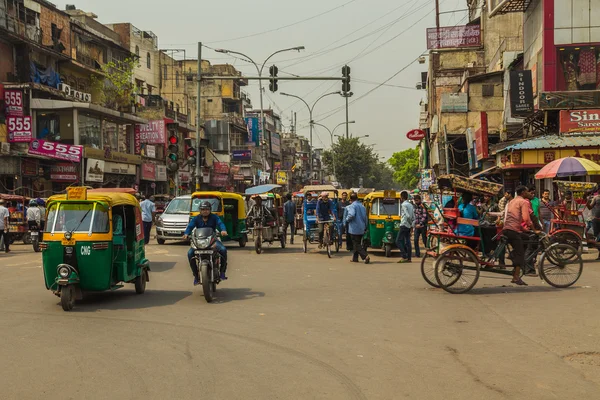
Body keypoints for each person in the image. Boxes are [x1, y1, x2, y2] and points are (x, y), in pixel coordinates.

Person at [183, 201, 228, 284]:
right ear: (200, 210)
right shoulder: (196, 218)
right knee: (190, 254)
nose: (205, 211)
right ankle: (196, 275)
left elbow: (220, 223)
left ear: (210, 210)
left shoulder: (214, 217)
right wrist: (186, 233)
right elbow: (190, 226)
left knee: (223, 250)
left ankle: (222, 272)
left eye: (207, 209)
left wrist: (223, 230)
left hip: (212, 240)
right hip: (199, 241)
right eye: (203, 209)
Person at [503, 185, 537, 286]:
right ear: (523, 193)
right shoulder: (523, 202)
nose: (528, 193)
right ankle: (516, 277)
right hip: (513, 231)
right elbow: (526, 219)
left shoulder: (512, 201)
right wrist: (535, 230)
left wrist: (523, 229)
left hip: (507, 229)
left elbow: (514, 218)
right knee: (520, 253)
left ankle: (513, 256)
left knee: (526, 238)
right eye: (527, 192)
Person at [345, 192, 370, 264]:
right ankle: (355, 258)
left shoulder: (352, 206)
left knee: (356, 244)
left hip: (354, 228)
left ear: (350, 199)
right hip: (362, 227)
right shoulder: (362, 206)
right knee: (357, 242)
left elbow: (351, 215)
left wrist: (347, 220)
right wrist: (365, 226)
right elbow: (365, 218)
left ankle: (365, 256)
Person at [396, 191, 414, 263]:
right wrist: (411, 225)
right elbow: (413, 216)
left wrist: (409, 222)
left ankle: (404, 256)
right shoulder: (410, 205)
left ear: (401, 197)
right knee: (407, 241)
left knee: (398, 241)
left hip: (404, 224)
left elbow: (408, 216)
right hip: (409, 225)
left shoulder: (403, 205)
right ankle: (409, 258)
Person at [586, 190, 600, 260]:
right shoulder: (596, 198)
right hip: (596, 220)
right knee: (596, 238)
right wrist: (586, 199)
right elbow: (589, 207)